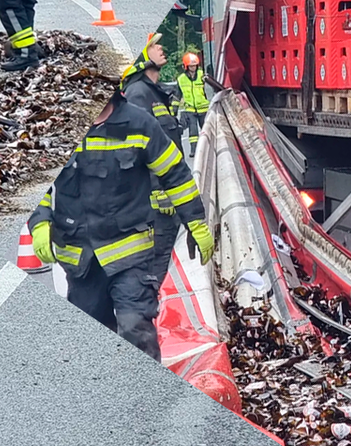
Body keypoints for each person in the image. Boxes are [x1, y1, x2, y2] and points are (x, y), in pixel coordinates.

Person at [28, 85, 214, 360]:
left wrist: (195, 222)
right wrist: (40, 220)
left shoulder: (139, 124)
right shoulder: (55, 125)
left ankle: (146, 399)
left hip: (130, 254)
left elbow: (175, 174)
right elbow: (32, 184)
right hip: (81, 260)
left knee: (134, 329)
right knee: (90, 351)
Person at [121, 34, 188, 285]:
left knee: (167, 259)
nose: (160, 47)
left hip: (168, 199)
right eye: (152, 45)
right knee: (157, 263)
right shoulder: (138, 93)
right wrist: (157, 190)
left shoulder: (155, 93)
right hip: (153, 206)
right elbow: (138, 149)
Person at [176, 52, 222, 157]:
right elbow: (177, 96)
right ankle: (194, 150)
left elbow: (214, 86)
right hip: (190, 110)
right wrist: (173, 111)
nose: (193, 68)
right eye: (191, 66)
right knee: (193, 132)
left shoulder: (202, 75)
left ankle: (212, 148)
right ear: (186, 67)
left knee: (207, 129)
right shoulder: (181, 79)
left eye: (195, 65)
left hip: (203, 109)